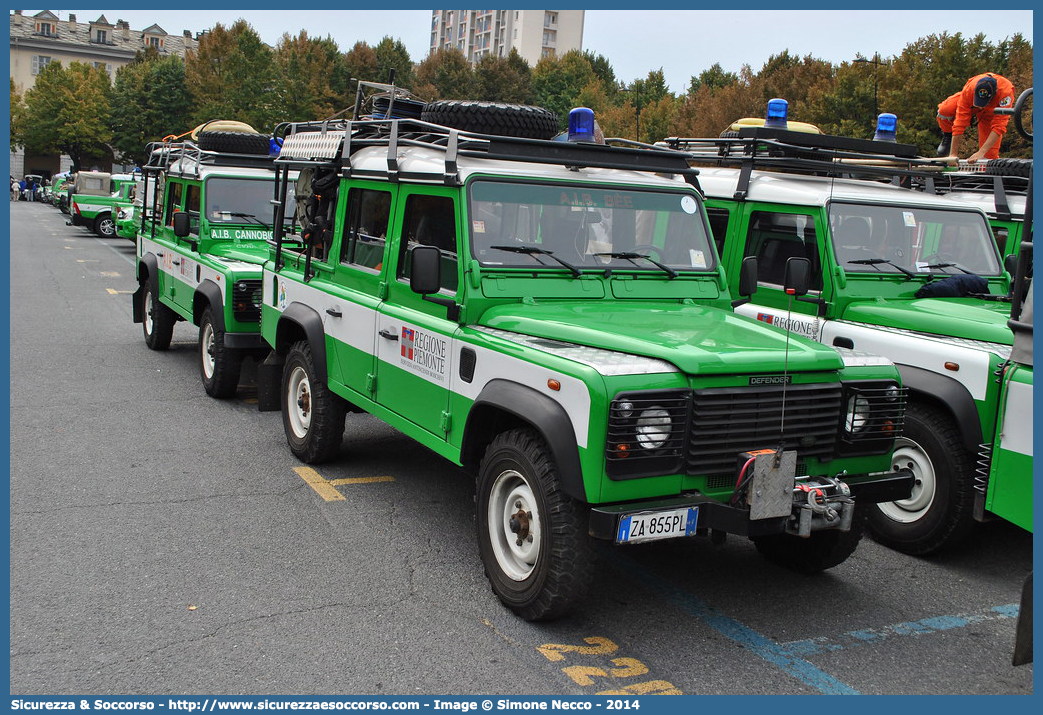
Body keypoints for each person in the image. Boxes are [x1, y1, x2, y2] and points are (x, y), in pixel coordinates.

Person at [936, 73, 1015, 161]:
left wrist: (981, 152)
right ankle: (948, 135)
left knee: (989, 155)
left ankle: (986, 168)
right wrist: (953, 154)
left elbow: (999, 126)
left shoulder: (1005, 93)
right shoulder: (969, 89)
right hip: (971, 104)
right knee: (945, 110)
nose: (980, 107)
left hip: (990, 113)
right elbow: (960, 121)